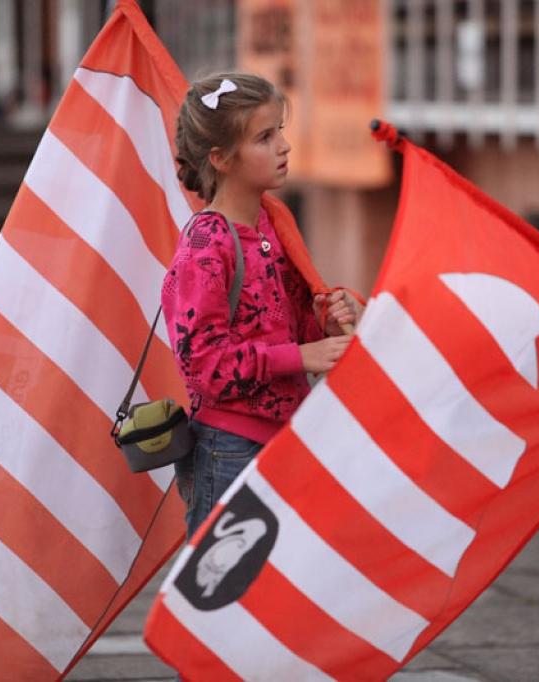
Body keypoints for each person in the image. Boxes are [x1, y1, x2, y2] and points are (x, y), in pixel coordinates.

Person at [161, 72, 359, 538]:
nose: (284, 147)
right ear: (221, 158)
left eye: (280, 132)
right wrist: (302, 357)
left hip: (287, 439)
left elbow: (291, 325)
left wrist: (327, 324)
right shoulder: (207, 244)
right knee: (222, 591)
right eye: (265, 138)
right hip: (229, 449)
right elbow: (203, 363)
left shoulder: (273, 223)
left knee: (283, 590)